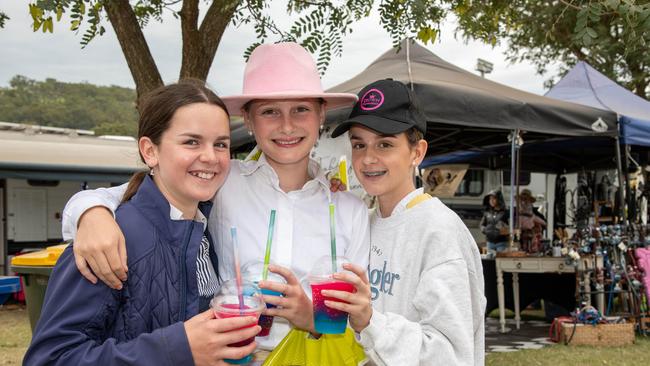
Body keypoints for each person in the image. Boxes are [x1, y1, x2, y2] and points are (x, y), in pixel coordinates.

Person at [59, 42, 370, 343]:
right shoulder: (223, 178)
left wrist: (312, 318)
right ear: (248, 119)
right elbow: (140, 192)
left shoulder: (348, 209)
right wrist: (91, 212)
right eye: (269, 112)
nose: (286, 126)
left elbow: (353, 320)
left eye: (301, 109)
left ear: (321, 115)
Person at [24, 82, 261, 365]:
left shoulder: (207, 229)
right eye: (191, 142)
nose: (210, 156)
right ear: (150, 151)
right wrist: (178, 349)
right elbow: (50, 359)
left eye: (220, 144)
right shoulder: (109, 240)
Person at [322, 79, 486, 365]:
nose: (368, 158)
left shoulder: (439, 231)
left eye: (385, 144)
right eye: (359, 144)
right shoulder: (364, 222)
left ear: (417, 152)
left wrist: (369, 321)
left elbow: (451, 355)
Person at [480, 189, 509, 258]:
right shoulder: (487, 213)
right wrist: (485, 230)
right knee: (489, 260)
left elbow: (510, 226)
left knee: (500, 261)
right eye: (490, 199)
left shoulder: (505, 213)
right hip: (490, 242)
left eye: (494, 198)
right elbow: (481, 225)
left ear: (499, 199)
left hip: (501, 242)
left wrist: (505, 230)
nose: (492, 201)